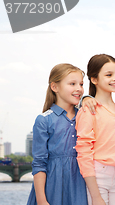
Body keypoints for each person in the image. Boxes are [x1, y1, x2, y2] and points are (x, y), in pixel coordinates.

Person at [27, 63, 88, 205]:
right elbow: (39, 164)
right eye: (72, 84)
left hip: (80, 186)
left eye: (81, 84)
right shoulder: (44, 120)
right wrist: (41, 200)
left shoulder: (85, 117)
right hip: (52, 188)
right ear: (55, 87)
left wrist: (88, 98)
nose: (79, 89)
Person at [75, 54, 115, 205]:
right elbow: (84, 152)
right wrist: (95, 196)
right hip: (98, 175)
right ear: (94, 79)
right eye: (109, 75)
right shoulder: (88, 110)